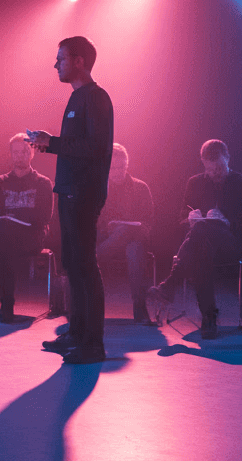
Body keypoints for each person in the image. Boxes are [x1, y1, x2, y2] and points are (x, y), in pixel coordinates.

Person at [29, 36, 114, 364]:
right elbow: (80, 145)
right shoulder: (79, 97)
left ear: (79, 61)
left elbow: (96, 148)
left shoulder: (96, 98)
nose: (56, 64)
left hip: (83, 194)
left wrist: (53, 142)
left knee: (84, 267)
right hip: (69, 192)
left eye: (61, 58)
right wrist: (51, 143)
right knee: (74, 268)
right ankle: (77, 335)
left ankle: (93, 344)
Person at [147, 139, 242, 339]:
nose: (215, 173)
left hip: (231, 243)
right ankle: (208, 317)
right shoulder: (195, 182)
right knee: (201, 246)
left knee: (201, 233)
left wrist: (226, 221)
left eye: (219, 168)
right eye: (210, 169)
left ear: (228, 159)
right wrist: (190, 219)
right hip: (202, 245)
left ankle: (173, 286)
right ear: (203, 164)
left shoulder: (239, 183)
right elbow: (182, 216)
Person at [0, 134, 54, 323]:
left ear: (32, 154)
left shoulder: (43, 183)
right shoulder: (0, 182)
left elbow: (44, 218)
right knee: (5, 242)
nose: (19, 156)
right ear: (10, 155)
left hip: (32, 236)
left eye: (24, 152)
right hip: (6, 238)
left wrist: (15, 220)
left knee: (3, 234)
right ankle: (6, 305)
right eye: (16, 152)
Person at [96, 143, 155, 324]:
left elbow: (148, 223)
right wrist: (110, 228)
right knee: (126, 239)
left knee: (134, 246)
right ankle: (140, 308)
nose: (117, 172)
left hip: (134, 240)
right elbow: (93, 220)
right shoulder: (99, 188)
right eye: (112, 168)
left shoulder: (140, 188)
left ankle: (92, 258)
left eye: (120, 167)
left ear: (127, 165)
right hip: (107, 239)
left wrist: (128, 228)